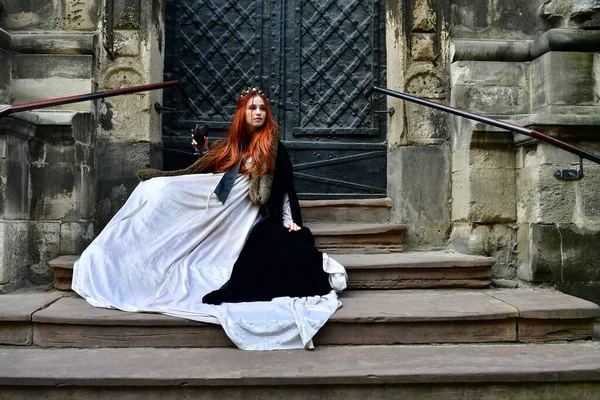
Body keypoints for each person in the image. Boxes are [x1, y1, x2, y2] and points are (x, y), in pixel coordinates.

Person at [72, 87, 346, 350]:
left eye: (262, 108)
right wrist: (203, 150)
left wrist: (289, 219)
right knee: (157, 188)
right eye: (252, 108)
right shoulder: (231, 145)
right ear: (243, 113)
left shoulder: (273, 147)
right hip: (224, 210)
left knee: (276, 251)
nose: (258, 112)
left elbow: (284, 186)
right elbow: (217, 174)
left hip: (250, 213)